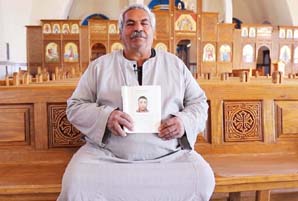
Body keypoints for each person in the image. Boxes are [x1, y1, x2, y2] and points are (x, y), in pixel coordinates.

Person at [58, 4, 215, 201]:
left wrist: (183, 122)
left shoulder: (175, 65)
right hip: (108, 157)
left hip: (168, 158)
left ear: (153, 32)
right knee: (76, 182)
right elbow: (75, 106)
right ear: (120, 33)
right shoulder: (100, 67)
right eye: (130, 24)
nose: (138, 28)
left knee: (202, 178)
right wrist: (106, 117)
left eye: (144, 23)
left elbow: (199, 103)